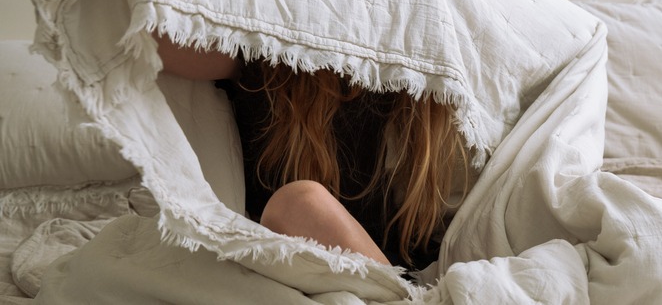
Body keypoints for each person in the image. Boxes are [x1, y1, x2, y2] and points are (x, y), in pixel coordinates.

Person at [155, 34, 473, 270]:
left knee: (300, 203)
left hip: (389, 264)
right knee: (298, 204)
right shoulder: (267, 64)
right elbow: (150, 31)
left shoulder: (409, 82)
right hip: (298, 248)